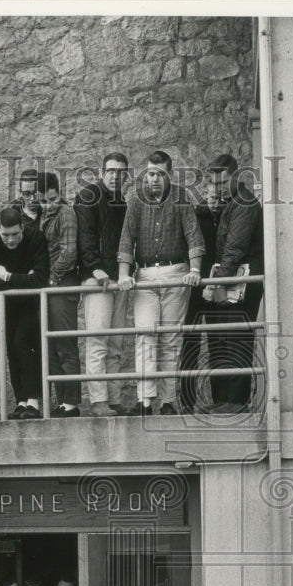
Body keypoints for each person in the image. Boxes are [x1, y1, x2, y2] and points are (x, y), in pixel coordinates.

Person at [117, 150, 204, 415]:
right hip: (144, 277)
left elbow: (193, 235)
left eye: (160, 174)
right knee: (145, 336)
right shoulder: (135, 200)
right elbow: (127, 238)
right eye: (150, 173)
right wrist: (123, 274)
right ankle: (145, 401)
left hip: (176, 274)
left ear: (170, 174)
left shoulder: (180, 197)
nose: (153, 179)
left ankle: (168, 401)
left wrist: (195, 270)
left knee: (170, 340)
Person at [204, 153, 264, 413]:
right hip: (230, 277)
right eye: (214, 184)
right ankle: (221, 400)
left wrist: (219, 282)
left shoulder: (245, 203)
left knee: (237, 337)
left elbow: (235, 247)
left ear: (236, 176)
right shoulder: (231, 202)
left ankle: (236, 401)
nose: (218, 189)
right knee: (221, 337)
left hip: (241, 279)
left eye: (222, 183)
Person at [74, 152, 130, 417]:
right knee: (97, 340)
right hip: (97, 277)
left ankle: (114, 398)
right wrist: (94, 266)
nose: (115, 176)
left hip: (118, 277)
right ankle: (98, 402)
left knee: (116, 342)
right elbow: (85, 233)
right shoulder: (89, 196)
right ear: (102, 171)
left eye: (121, 172)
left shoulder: (122, 202)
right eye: (111, 171)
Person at [0, 208, 50, 420]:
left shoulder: (35, 238)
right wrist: (23, 278)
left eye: (15, 234)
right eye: (6, 235)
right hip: (6, 304)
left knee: (25, 343)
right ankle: (21, 400)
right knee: (11, 347)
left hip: (30, 302)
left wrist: (8, 276)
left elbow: (40, 278)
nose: (10, 240)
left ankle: (34, 400)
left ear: (23, 228)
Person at [177, 179, 225, 413]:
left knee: (218, 341)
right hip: (196, 284)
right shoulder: (196, 216)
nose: (216, 203)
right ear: (204, 196)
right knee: (190, 343)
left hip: (218, 284)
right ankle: (187, 402)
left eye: (220, 199)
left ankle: (219, 399)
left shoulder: (227, 215)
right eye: (212, 198)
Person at [38, 171, 81, 418]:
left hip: (62, 284)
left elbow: (69, 252)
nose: (49, 204)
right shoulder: (44, 214)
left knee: (65, 344)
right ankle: (61, 400)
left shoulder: (66, 213)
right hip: (48, 286)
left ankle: (72, 402)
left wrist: (52, 277)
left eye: (53, 198)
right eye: (45, 200)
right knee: (51, 346)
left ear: (59, 192)